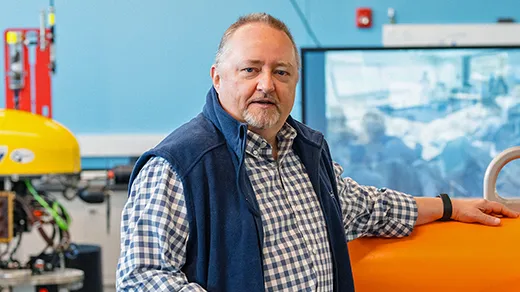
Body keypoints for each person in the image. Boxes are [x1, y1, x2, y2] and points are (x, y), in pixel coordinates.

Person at [116, 13, 519, 292]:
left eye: (281, 72)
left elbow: (364, 208)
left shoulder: (306, 151)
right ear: (217, 77)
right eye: (250, 69)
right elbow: (142, 277)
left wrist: (451, 207)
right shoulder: (178, 165)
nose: (266, 85)